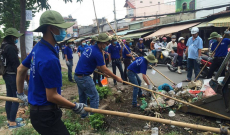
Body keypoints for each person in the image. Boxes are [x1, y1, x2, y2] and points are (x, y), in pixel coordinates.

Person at [16, 10, 86, 135]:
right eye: (60, 28)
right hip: (46, 116)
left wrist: (20, 93)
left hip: (37, 113)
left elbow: (20, 69)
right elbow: (51, 96)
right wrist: (74, 106)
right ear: (51, 28)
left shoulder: (38, 47)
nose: (63, 32)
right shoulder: (50, 59)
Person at [74, 33, 123, 118]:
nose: (108, 45)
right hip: (84, 77)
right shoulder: (97, 53)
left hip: (78, 75)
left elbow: (97, 65)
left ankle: (83, 116)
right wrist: (116, 78)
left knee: (83, 96)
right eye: (107, 44)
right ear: (102, 43)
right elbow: (105, 68)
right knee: (95, 96)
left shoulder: (90, 48)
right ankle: (94, 117)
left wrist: (104, 72)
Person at [0, 28, 24, 129]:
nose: (17, 39)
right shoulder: (10, 47)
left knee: (9, 97)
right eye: (16, 37)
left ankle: (10, 119)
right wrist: (21, 77)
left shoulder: (3, 46)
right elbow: (16, 65)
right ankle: (12, 122)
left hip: (6, 74)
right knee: (16, 98)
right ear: (12, 37)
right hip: (12, 75)